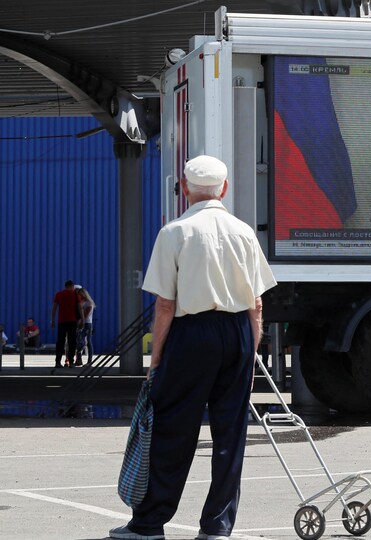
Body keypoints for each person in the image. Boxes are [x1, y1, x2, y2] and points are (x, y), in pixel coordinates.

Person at [109, 155, 276, 540]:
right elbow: (257, 304)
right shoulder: (244, 232)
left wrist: (156, 360)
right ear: (225, 188)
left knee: (173, 429)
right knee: (230, 433)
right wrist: (249, 355)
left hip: (191, 334)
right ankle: (217, 526)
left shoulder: (175, 232)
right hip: (235, 332)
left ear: (184, 189)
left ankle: (150, 523)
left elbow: (165, 305)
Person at [51, 280, 81, 369]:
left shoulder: (59, 294)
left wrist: (52, 320)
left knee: (60, 342)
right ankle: (71, 362)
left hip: (62, 321)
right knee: (72, 342)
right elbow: (80, 308)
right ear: (72, 286)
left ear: (65, 286)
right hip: (72, 321)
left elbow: (54, 308)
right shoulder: (75, 295)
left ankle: (57, 362)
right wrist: (82, 319)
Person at [74, 286, 96, 367]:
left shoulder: (89, 303)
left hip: (87, 324)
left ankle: (89, 361)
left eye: (80, 294)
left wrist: (80, 316)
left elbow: (86, 314)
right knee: (79, 341)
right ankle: (79, 359)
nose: (79, 296)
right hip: (80, 323)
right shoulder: (81, 302)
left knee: (88, 342)